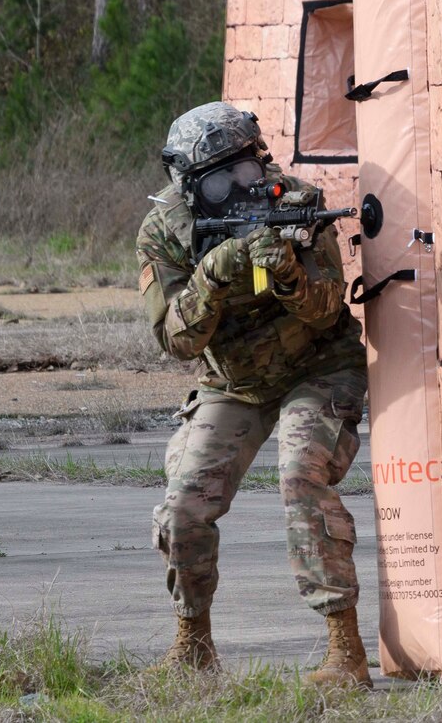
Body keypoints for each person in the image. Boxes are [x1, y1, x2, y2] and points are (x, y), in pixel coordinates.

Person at [135, 101, 370, 687]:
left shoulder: (296, 204)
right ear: (190, 186)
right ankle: (193, 644)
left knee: (300, 475)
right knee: (185, 503)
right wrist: (214, 275)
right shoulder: (164, 233)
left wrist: (285, 272)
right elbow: (176, 340)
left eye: (246, 169)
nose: (242, 186)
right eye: (221, 178)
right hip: (232, 383)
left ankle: (347, 652)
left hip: (315, 367)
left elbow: (324, 313)